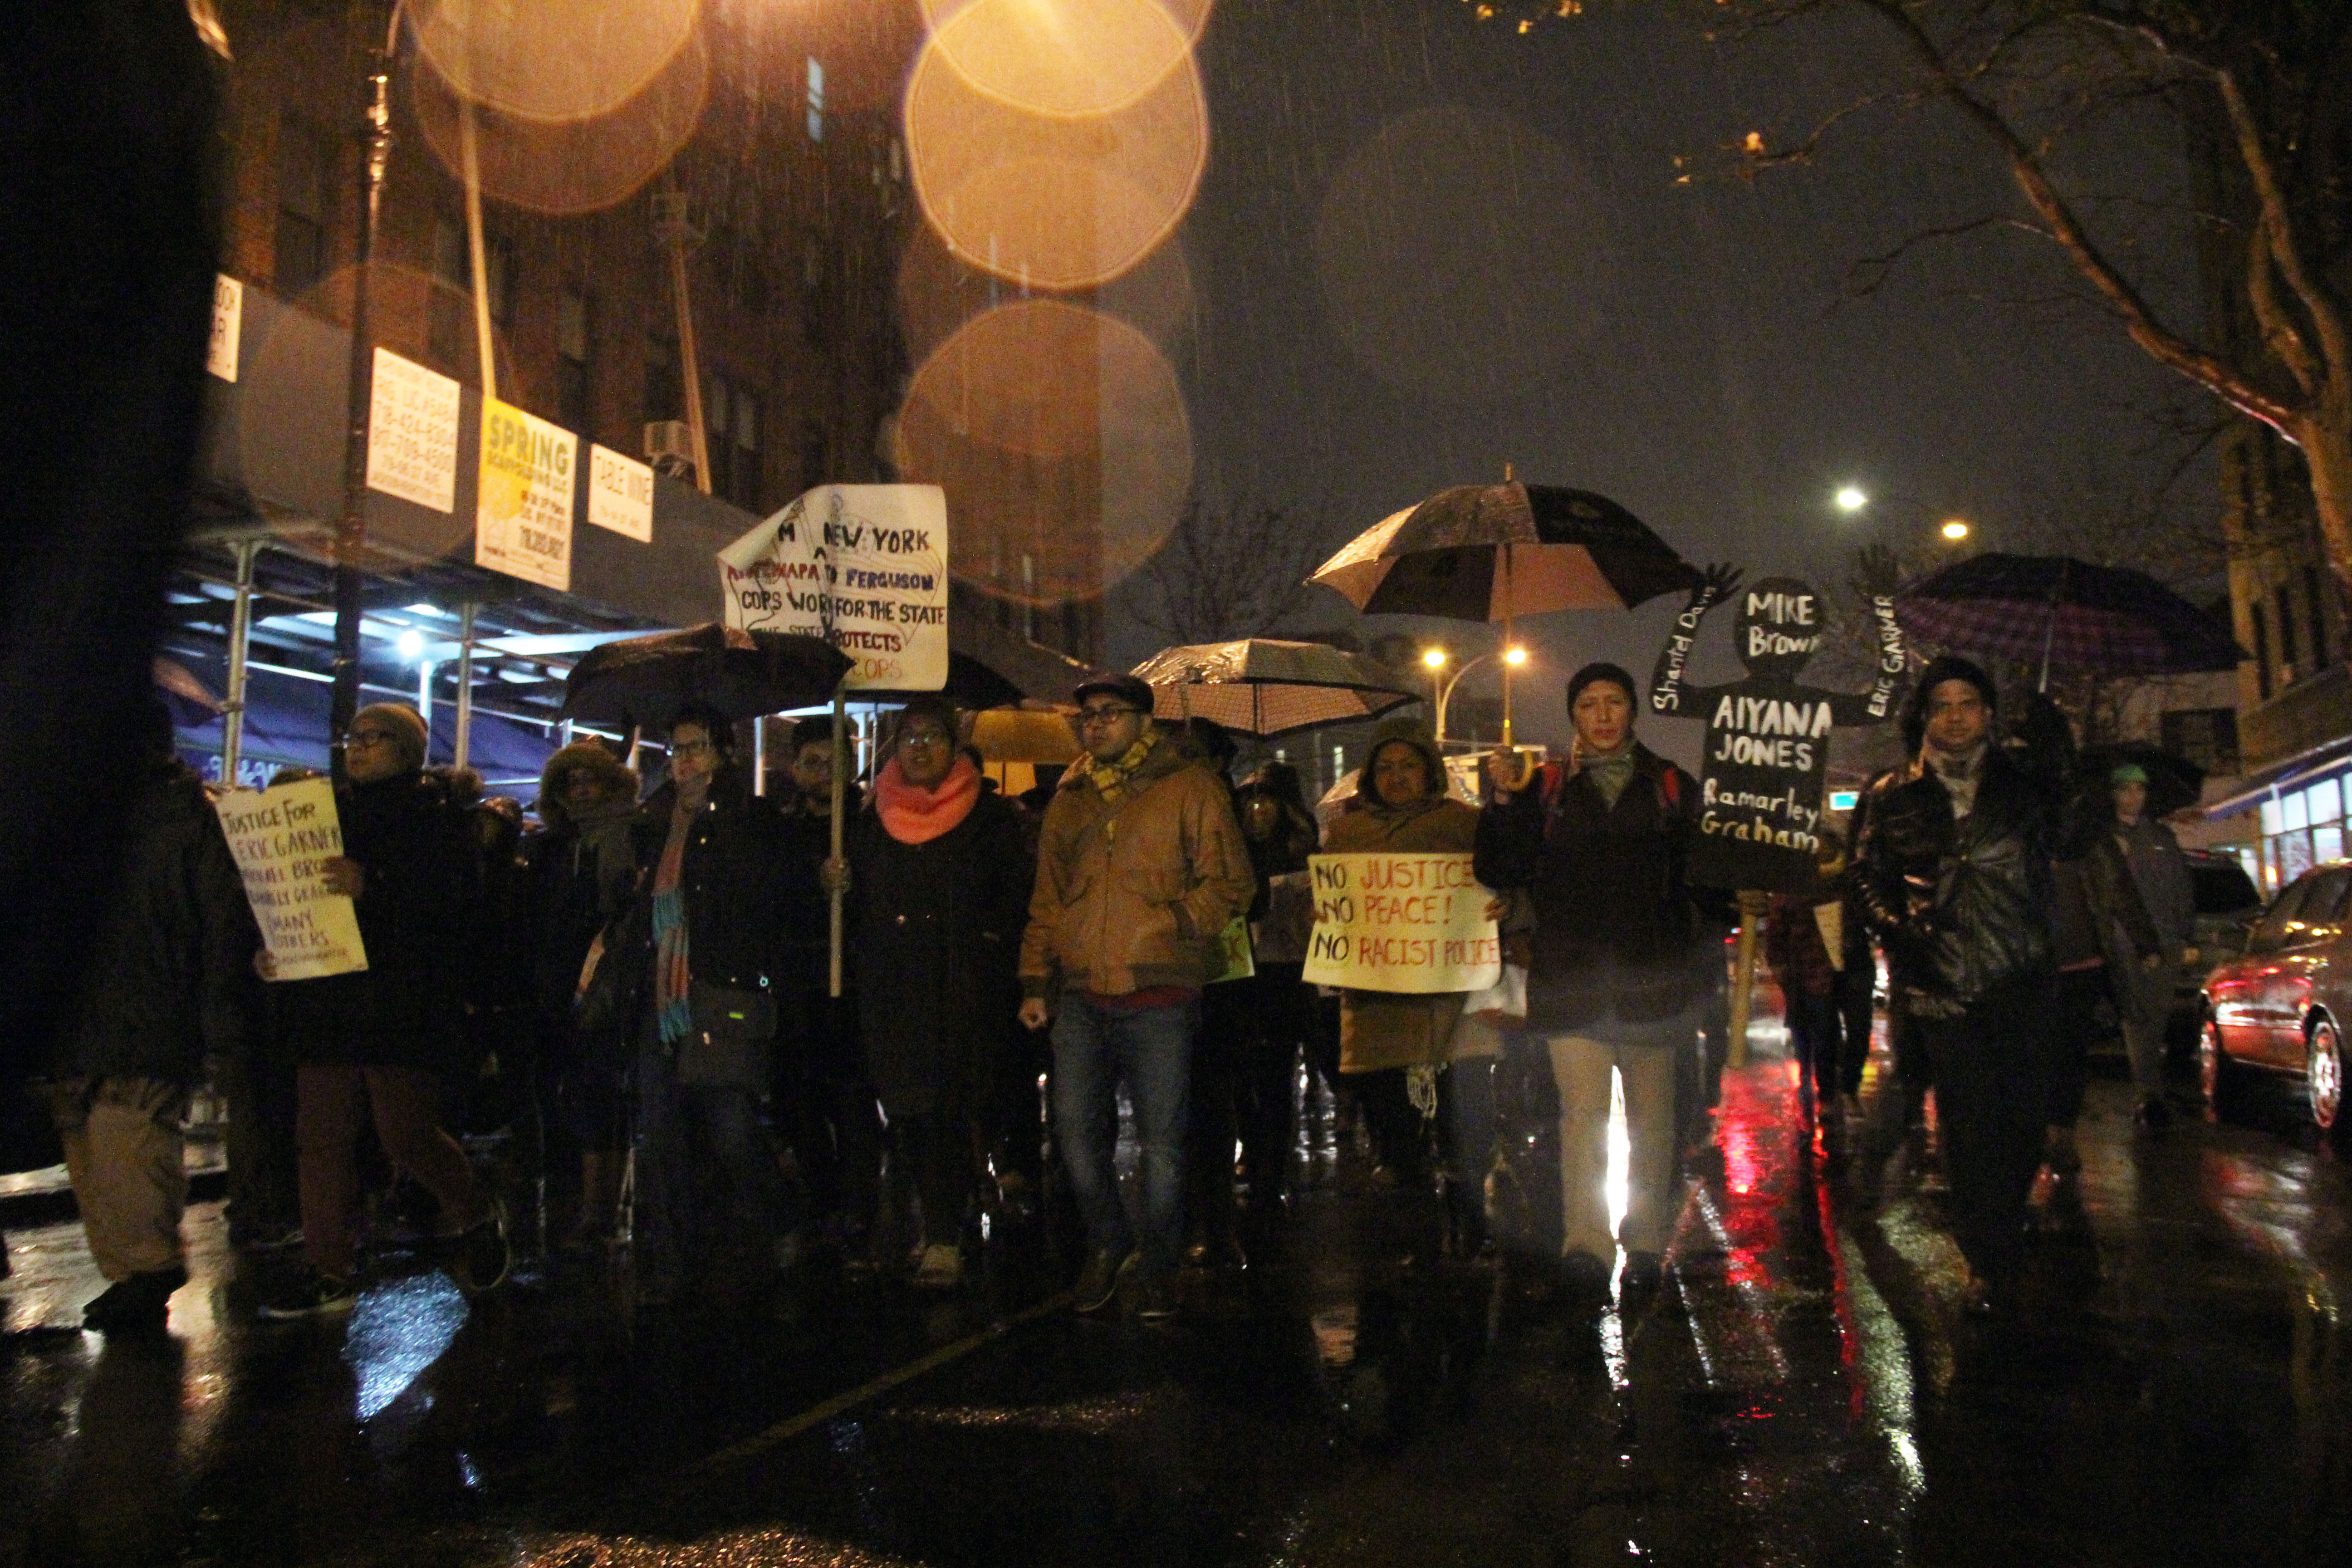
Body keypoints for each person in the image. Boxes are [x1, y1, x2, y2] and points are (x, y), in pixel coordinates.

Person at [1475, 663, 1712, 1311]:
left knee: (1653, 1121)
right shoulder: (1546, 787)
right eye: (1589, 704)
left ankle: (1645, 1242)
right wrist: (1504, 802)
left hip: (1651, 981)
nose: (1603, 715)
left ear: (1633, 711)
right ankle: (1586, 1245)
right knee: (1582, 1119)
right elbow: (1500, 866)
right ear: (1573, 715)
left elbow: (1704, 877)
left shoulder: (1669, 785)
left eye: (1614, 702)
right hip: (1572, 981)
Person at [1019, 675, 1255, 1320]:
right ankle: (1109, 1241)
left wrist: (1171, 924)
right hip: (1080, 991)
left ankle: (1159, 1262)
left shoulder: (1189, 787)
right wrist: (1036, 980)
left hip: (1159, 992)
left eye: (1110, 713)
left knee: (1163, 1143)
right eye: (1087, 716)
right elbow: (1048, 898)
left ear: (1143, 721)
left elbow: (1231, 882)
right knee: (1074, 1136)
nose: (1095, 725)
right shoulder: (1071, 798)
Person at [261, 703, 505, 1318]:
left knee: (405, 1132)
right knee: (321, 1138)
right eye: (354, 737)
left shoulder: (438, 820)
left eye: (375, 738)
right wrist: (280, 950)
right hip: (330, 999)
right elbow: (295, 897)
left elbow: (454, 911)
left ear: (406, 751)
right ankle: (329, 1268)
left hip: (399, 1003)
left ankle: (474, 1211)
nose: (359, 747)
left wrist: (374, 887)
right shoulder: (326, 816)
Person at [1853, 657, 2074, 1314]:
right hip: (1940, 980)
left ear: (1988, 713)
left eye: (1968, 704)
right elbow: (1865, 877)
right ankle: (1988, 1254)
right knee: (1969, 1122)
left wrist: (2058, 756)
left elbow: (2072, 835)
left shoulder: (2023, 784)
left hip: (2020, 972)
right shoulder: (1892, 792)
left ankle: (2003, 1216)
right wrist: (1901, 929)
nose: (1955, 717)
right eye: (1942, 705)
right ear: (1923, 716)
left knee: (2023, 1119)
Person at [41, 703, 255, 1333]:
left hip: (148, 1004)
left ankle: (149, 1265)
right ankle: (127, 1268)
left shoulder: (184, 819)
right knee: (92, 1146)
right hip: (91, 1007)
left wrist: (217, 1013)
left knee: (130, 1137)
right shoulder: (95, 819)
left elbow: (220, 922)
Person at [837, 696, 1030, 1289]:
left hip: (960, 987)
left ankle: (944, 1234)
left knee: (948, 1107)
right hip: (892, 989)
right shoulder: (872, 818)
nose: (919, 747)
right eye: (909, 737)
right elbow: (860, 907)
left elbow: (1012, 897)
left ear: (954, 746)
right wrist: (837, 885)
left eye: (932, 736)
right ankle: (947, 1212)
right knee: (909, 1110)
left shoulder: (990, 818)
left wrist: (989, 954)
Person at [620, 705, 794, 1307]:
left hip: (720, 991)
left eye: (697, 747)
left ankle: (775, 1222)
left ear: (724, 753)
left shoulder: (747, 817)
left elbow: (765, 896)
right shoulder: (655, 819)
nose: (685, 761)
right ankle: (674, 1264)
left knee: (731, 1127)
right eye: (677, 749)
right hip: (661, 996)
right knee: (662, 1135)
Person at [1324, 720, 1482, 1188]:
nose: (1397, 777)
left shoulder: (1464, 825)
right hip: (1377, 1007)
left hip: (1448, 1003)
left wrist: (1499, 906)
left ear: (1429, 770)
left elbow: (1498, 883)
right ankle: (1409, 1205)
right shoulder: (1348, 833)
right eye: (1385, 768)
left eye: (1409, 766)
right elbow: (1328, 902)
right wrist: (1320, 915)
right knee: (1392, 1122)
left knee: (1458, 1124)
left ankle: (1460, 1210)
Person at [522, 740, 641, 1251]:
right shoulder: (552, 846)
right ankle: (573, 1207)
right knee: (565, 1093)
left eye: (590, 779)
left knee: (598, 1092)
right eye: (569, 783)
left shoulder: (628, 834)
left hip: (604, 981)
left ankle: (600, 1211)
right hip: (553, 984)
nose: (581, 790)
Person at [775, 715, 882, 1261]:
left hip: (854, 981)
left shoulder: (871, 823)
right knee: (803, 1101)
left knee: (853, 1098)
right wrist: (812, 885)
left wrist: (853, 886)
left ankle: (859, 1208)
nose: (822, 773)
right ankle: (821, 1202)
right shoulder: (783, 830)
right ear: (795, 769)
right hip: (800, 984)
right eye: (812, 763)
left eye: (832, 762)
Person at [1229, 761, 1322, 1223]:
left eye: (1265, 800)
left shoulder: (1304, 854)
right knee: (1241, 1078)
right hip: (1240, 980)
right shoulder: (1232, 853)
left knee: (1273, 1078)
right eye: (1249, 801)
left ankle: (1270, 1173)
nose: (1257, 810)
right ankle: (1256, 1151)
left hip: (1286, 982)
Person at [2107, 763, 2195, 1129]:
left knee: (2156, 1016)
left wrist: (2185, 935)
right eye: (2126, 789)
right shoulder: (2105, 839)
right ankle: (2148, 1092)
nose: (2134, 797)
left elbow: (2181, 887)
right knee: (2136, 1016)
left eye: (2139, 790)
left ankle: (2150, 1088)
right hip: (2125, 943)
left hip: (2166, 940)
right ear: (2114, 794)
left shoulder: (2161, 837)